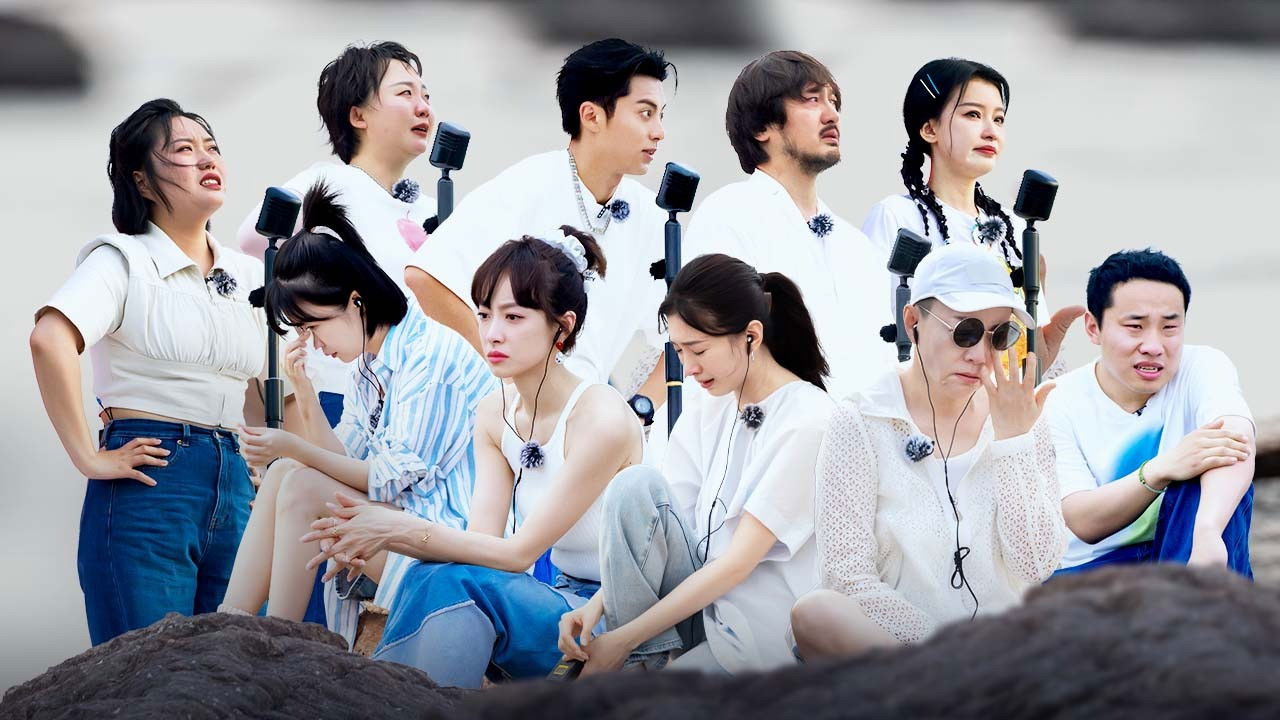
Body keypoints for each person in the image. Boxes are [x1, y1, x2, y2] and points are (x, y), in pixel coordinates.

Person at [301, 227, 645, 687]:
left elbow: (519, 554)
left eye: (514, 317)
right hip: (552, 606)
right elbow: (480, 545)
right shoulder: (494, 412)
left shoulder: (600, 417)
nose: (492, 333)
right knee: (438, 572)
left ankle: (391, 698)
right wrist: (380, 534)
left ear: (562, 326)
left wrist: (394, 529)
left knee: (451, 580)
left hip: (609, 621)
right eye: (484, 314)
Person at [30, 99, 270, 644]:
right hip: (152, 476)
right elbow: (49, 339)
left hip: (238, 483)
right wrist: (88, 457)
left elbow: (270, 390)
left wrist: (271, 472)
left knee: (237, 669)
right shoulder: (122, 259)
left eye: (211, 148)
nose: (206, 159)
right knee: (150, 668)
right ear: (140, 179)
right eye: (183, 150)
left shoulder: (250, 274)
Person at [218, 183, 496, 647]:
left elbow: (384, 479)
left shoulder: (428, 356)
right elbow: (344, 461)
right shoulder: (369, 363)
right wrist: (305, 394)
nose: (314, 343)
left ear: (355, 301)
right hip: (399, 529)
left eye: (314, 326)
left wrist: (294, 446)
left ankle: (272, 641)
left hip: (448, 548)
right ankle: (233, 623)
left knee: (298, 479)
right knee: (287, 473)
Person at [558, 253, 834, 675]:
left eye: (698, 350)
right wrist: (598, 606)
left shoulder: (810, 420)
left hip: (754, 637)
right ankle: (635, 670)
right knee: (634, 486)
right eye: (679, 351)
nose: (688, 368)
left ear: (752, 336)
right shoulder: (710, 406)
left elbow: (737, 563)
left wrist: (623, 638)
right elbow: (660, 527)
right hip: (695, 616)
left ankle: (630, 670)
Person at [790, 243, 1067, 659]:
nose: (979, 355)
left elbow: (1036, 566)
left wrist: (1013, 443)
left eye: (999, 335)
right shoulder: (862, 419)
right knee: (816, 611)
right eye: (964, 331)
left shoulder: (1021, 415)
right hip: (907, 659)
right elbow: (847, 577)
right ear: (912, 321)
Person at [405, 38, 672, 404]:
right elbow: (426, 276)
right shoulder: (527, 186)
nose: (658, 131)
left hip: (591, 418)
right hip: (512, 415)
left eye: (660, 116)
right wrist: (511, 378)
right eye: (645, 113)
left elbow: (682, 333)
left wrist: (640, 410)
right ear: (591, 116)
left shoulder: (651, 217)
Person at [237, 40, 436, 428]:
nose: (424, 107)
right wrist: (309, 309)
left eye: (426, 95)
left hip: (421, 397)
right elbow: (254, 239)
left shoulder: (430, 208)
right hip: (345, 393)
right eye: (405, 93)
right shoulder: (328, 183)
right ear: (358, 115)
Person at [684, 51, 893, 399]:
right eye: (811, 99)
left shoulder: (855, 244)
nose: (832, 114)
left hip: (860, 428)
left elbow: (881, 361)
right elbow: (715, 352)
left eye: (833, 101)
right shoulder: (728, 214)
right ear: (761, 127)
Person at [861, 57, 1081, 374]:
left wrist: (1039, 362)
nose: (991, 132)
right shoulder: (897, 216)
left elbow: (1032, 352)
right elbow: (876, 332)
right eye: (973, 115)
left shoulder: (1014, 227)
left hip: (1003, 398)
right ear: (929, 128)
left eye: (999, 119)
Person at [1046, 249, 1255, 576]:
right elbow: (1083, 521)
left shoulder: (1202, 365)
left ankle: (1208, 593)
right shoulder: (1057, 400)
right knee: (1191, 463)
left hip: (1182, 545)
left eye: (1169, 327)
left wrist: (1208, 532)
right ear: (1093, 327)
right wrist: (1160, 470)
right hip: (1092, 569)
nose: (1154, 346)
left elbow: (1237, 439)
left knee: (1213, 469)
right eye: (1135, 326)